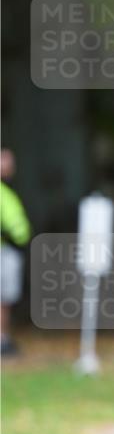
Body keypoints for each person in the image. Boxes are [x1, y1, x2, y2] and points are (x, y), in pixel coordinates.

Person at [0, 149, 31, 356]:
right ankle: (2, 339)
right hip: (4, 249)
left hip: (11, 249)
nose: (10, 168)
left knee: (6, 298)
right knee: (3, 298)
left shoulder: (7, 190)